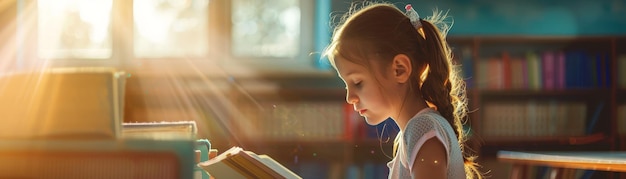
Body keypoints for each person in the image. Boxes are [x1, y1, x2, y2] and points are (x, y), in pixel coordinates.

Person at [323, 2, 482, 179]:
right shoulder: (417, 130)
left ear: (400, 70)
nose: (349, 97)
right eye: (347, 85)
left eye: (358, 82)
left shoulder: (422, 128)